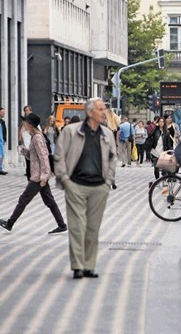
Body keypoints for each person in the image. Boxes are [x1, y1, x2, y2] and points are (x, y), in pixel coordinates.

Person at [54, 98, 117, 279]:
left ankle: (89, 265)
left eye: (104, 109)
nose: (104, 112)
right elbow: (59, 156)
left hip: (99, 187)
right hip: (75, 185)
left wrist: (108, 181)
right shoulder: (71, 131)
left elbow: (113, 158)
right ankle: (77, 266)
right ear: (90, 112)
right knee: (77, 227)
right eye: (100, 109)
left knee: (93, 228)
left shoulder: (107, 134)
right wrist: (65, 179)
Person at [0, 113, 67, 235]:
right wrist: (25, 152)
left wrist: (44, 176)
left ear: (30, 124)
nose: (23, 124)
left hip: (38, 176)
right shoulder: (35, 136)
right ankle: (62, 225)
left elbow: (44, 158)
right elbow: (35, 157)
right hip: (39, 175)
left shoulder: (37, 138)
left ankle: (10, 223)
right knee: (50, 201)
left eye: (25, 122)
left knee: (23, 199)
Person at [19, 105, 34, 180]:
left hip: (33, 145)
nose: (26, 112)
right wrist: (20, 144)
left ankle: (33, 178)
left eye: (27, 110)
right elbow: (20, 133)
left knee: (33, 163)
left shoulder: (34, 121)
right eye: (25, 110)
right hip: (26, 146)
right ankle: (29, 179)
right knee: (28, 163)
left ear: (31, 111)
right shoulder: (23, 122)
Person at [0, 107, 7, 175]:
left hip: (2, 140)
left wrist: (4, 139)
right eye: (2, 112)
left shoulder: (2, 121)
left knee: (2, 154)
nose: (4, 113)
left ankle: (1, 168)